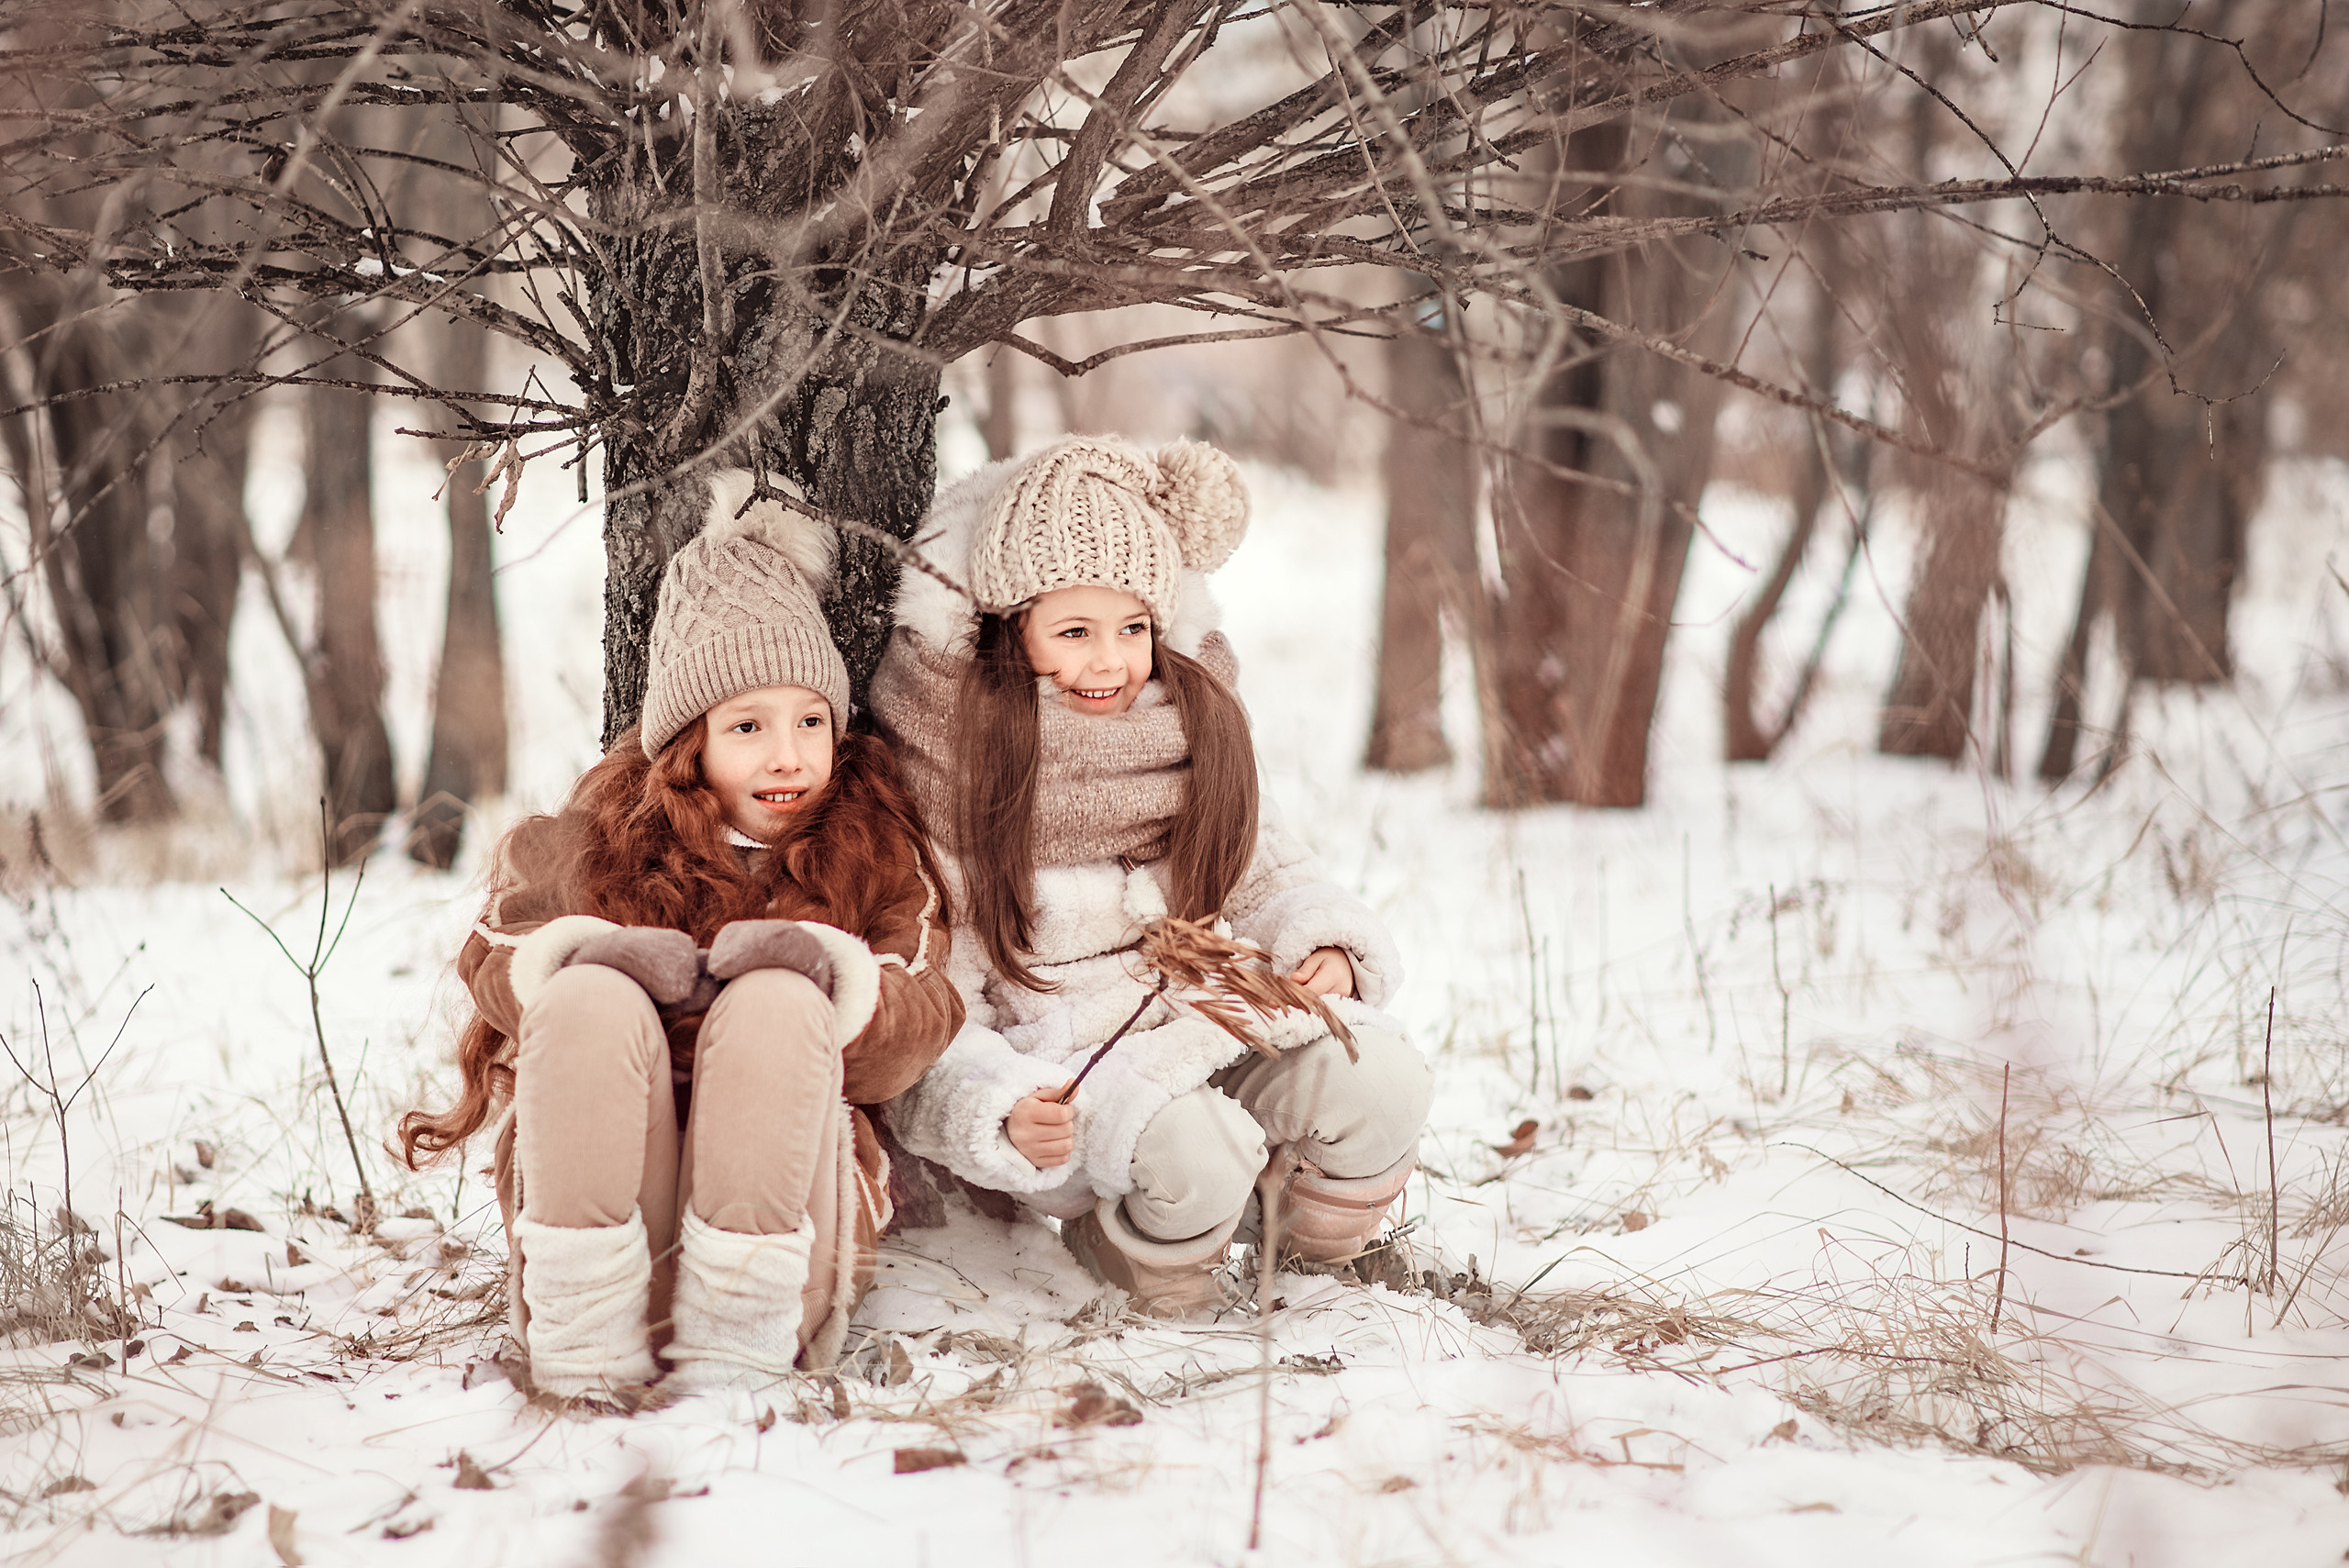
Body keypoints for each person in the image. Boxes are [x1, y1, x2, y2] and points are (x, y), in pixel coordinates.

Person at [398, 473, 961, 1402]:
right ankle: (581, 1348)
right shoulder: (596, 839)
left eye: (811, 721)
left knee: (779, 998)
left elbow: (920, 1011)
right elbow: (499, 955)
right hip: (595, 1225)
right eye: (748, 726)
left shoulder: (872, 850)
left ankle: (733, 1355)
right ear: (685, 743)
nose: (789, 754)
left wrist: (831, 981)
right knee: (582, 992)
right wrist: (582, 960)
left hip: (782, 1242)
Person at [874, 437, 1431, 1316]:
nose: (1110, 661)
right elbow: (937, 1006)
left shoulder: (1189, 734)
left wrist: (1321, 942)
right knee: (1194, 1154)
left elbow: (1267, 869)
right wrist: (998, 1107)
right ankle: (1146, 1273)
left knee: (1381, 1082)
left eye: (1133, 627)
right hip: (1079, 1077)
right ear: (1009, 634)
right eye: (1074, 632)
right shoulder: (956, 781)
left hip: (1214, 1026)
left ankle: (1317, 1276)